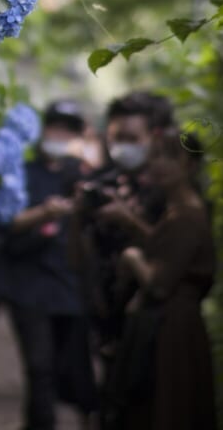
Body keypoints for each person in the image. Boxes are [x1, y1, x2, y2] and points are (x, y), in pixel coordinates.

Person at [0, 99, 99, 430]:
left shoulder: (82, 176)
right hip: (29, 286)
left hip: (70, 290)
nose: (59, 136)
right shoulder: (20, 174)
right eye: (55, 128)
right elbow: (3, 224)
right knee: (39, 368)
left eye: (68, 131)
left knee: (73, 370)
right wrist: (43, 214)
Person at [104, 126, 217, 430]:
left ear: (189, 165)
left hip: (173, 333)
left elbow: (159, 283)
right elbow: (165, 247)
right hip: (168, 327)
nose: (158, 163)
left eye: (170, 156)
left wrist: (132, 257)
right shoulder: (178, 210)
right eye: (154, 156)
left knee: (168, 410)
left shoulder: (187, 216)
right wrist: (132, 223)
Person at [71, 91, 173, 375]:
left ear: (156, 136)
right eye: (117, 138)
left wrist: (129, 220)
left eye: (133, 139)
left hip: (156, 314)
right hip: (105, 314)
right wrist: (77, 219)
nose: (123, 147)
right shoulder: (98, 186)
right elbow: (78, 259)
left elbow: (176, 251)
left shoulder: (172, 191)